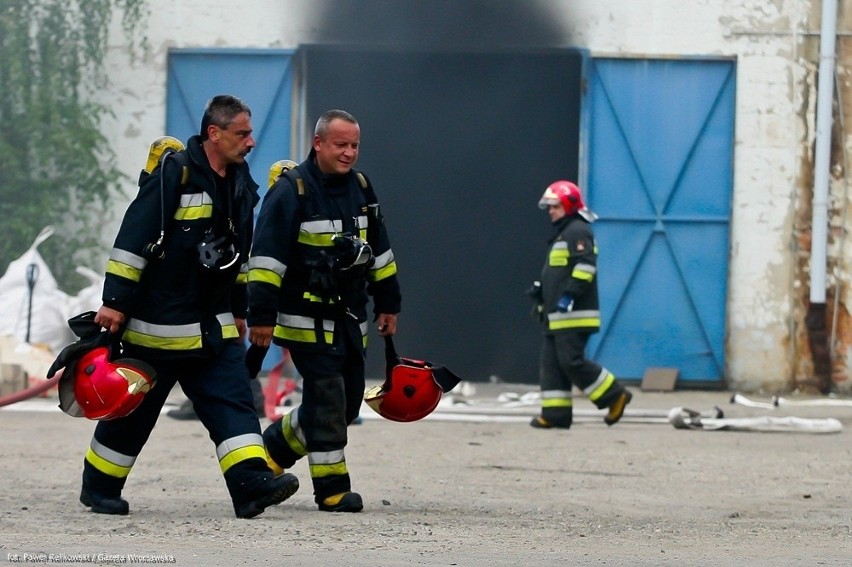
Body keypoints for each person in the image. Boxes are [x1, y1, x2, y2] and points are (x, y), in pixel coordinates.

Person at [80, 95, 299, 518]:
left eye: (250, 132)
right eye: (242, 133)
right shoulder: (174, 174)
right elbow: (132, 241)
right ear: (213, 134)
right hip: (156, 326)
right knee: (133, 415)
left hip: (211, 327)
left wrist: (238, 310)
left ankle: (250, 486)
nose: (251, 142)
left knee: (233, 401)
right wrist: (114, 303)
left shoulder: (239, 182)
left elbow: (238, 254)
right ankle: (99, 486)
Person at [247, 109, 401, 512]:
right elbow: (265, 260)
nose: (349, 153)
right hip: (305, 321)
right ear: (318, 144)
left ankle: (270, 452)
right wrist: (261, 316)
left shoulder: (362, 188)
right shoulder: (291, 191)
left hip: (351, 317)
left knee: (346, 404)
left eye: (354, 145)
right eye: (341, 145)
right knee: (329, 398)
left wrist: (388, 303)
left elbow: (380, 252)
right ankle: (332, 489)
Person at [529, 180, 632, 429]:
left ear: (568, 205)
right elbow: (557, 272)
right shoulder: (564, 233)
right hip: (556, 316)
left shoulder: (577, 230)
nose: (551, 212)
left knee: (571, 361)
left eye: (555, 206)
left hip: (574, 314)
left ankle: (615, 394)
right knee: (552, 365)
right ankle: (556, 415)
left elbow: (585, 266)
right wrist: (541, 294)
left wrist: (569, 296)